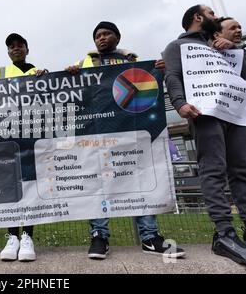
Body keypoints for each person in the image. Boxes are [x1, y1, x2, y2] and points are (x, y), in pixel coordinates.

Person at [66, 21, 186, 260]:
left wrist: (160, 71)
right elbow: (74, 92)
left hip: (131, 132)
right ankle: (99, 236)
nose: (101, 38)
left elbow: (147, 89)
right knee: (97, 185)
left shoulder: (135, 62)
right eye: (97, 35)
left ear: (117, 37)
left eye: (106, 34)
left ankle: (150, 237)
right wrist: (70, 73)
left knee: (139, 183)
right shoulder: (85, 64)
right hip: (97, 133)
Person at [163, 5, 246, 265]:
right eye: (211, 14)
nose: (216, 18)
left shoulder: (224, 46)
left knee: (242, 170)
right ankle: (225, 233)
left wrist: (234, 49)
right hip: (204, 114)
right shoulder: (177, 46)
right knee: (213, 169)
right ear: (198, 18)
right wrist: (179, 103)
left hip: (235, 114)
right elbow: (172, 76)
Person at [0, 33, 47, 262]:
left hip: (32, 139)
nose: (15, 49)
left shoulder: (39, 72)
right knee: (10, 189)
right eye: (11, 46)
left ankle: (27, 237)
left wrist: (46, 78)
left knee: (31, 188)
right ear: (8, 52)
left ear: (27, 49)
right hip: (7, 139)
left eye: (19, 45)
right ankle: (12, 236)